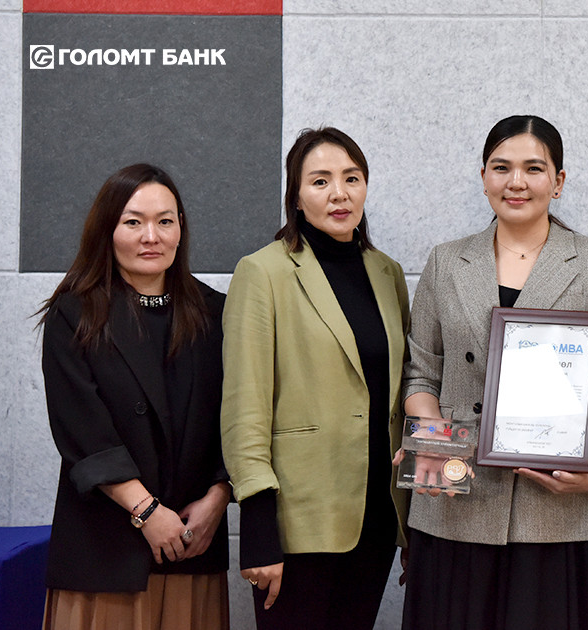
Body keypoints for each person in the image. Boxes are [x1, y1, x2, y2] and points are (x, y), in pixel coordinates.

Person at [399, 114, 588, 630]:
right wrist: (434, 445)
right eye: (501, 167)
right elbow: (421, 374)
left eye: (534, 168)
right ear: (484, 176)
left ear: (558, 180)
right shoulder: (445, 262)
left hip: (559, 508)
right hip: (457, 496)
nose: (516, 182)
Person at [220, 127, 410, 629]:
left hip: (377, 515)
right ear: (297, 196)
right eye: (321, 181)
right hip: (297, 522)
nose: (339, 193)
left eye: (352, 178)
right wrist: (258, 529)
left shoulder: (387, 273)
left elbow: (402, 391)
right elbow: (244, 410)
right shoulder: (263, 272)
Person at [39, 163, 231, 630]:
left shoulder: (216, 313)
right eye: (133, 222)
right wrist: (147, 512)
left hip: (191, 543)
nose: (151, 236)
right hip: (104, 550)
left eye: (165, 221)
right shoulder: (74, 313)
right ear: (107, 229)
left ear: (181, 229)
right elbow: (82, 431)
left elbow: (240, 418)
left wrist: (220, 497)